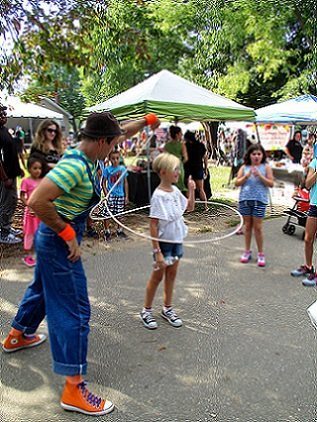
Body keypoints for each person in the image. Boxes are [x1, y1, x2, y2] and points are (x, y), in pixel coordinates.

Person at [2, 111, 160, 416]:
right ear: (101, 141)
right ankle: (73, 387)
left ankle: (17, 335)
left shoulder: (87, 149)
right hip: (58, 238)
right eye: (113, 144)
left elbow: (121, 132)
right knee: (74, 309)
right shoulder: (75, 165)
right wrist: (67, 232)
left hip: (54, 239)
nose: (116, 149)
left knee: (43, 289)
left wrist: (148, 121)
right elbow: (37, 202)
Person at [140, 152, 196, 330]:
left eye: (178, 169)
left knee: (171, 275)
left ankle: (167, 308)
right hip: (163, 244)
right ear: (163, 172)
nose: (178, 172)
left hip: (176, 241)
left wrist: (192, 190)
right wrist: (157, 252)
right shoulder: (158, 196)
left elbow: (190, 207)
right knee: (157, 277)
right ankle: (146, 311)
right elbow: (153, 225)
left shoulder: (175, 190)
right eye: (175, 169)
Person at [235, 144, 274, 267]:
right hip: (245, 200)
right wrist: (247, 176)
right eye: (254, 154)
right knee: (247, 227)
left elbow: (271, 183)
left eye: (259, 154)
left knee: (258, 227)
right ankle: (247, 251)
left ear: (262, 155)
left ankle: (261, 253)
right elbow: (237, 182)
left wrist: (260, 176)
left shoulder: (266, 167)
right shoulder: (244, 167)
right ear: (249, 155)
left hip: (259, 200)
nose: (256, 156)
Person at [291, 155, 317, 286]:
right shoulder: (315, 162)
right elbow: (308, 184)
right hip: (314, 205)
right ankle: (308, 266)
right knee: (308, 239)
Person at [0, 103, 24, 244]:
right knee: (6, 203)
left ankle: (7, 227)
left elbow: (10, 153)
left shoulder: (3, 130)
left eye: (4, 113)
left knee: (12, 201)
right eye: (0, 114)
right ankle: (4, 232)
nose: (3, 116)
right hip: (5, 176)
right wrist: (4, 178)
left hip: (11, 173)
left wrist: (18, 169)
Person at [101, 149, 129, 241]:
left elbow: (125, 183)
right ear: (109, 159)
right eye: (113, 158)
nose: (115, 160)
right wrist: (106, 195)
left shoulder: (122, 169)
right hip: (110, 195)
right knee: (107, 213)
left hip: (120, 195)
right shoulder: (107, 169)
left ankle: (119, 230)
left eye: (117, 158)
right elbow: (103, 183)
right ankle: (107, 231)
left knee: (120, 213)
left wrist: (126, 196)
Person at [20, 157, 43, 267]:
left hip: (40, 212)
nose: (38, 170)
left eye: (39, 168)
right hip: (31, 213)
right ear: (29, 169)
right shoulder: (26, 181)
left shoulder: (42, 181)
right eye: (35, 168)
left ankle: (39, 254)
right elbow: (22, 196)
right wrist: (29, 206)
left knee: (40, 232)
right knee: (29, 233)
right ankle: (27, 256)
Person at [184, 130, 208, 203]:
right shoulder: (201, 145)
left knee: (188, 188)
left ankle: (189, 207)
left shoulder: (185, 146)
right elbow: (205, 157)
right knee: (200, 189)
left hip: (188, 168)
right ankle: (205, 206)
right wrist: (206, 168)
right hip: (199, 168)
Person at [164, 125, 188, 192]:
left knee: (171, 185)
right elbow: (185, 158)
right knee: (180, 186)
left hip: (169, 166)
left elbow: (164, 157)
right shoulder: (181, 145)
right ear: (177, 135)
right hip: (179, 166)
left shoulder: (166, 145)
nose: (182, 135)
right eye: (181, 133)